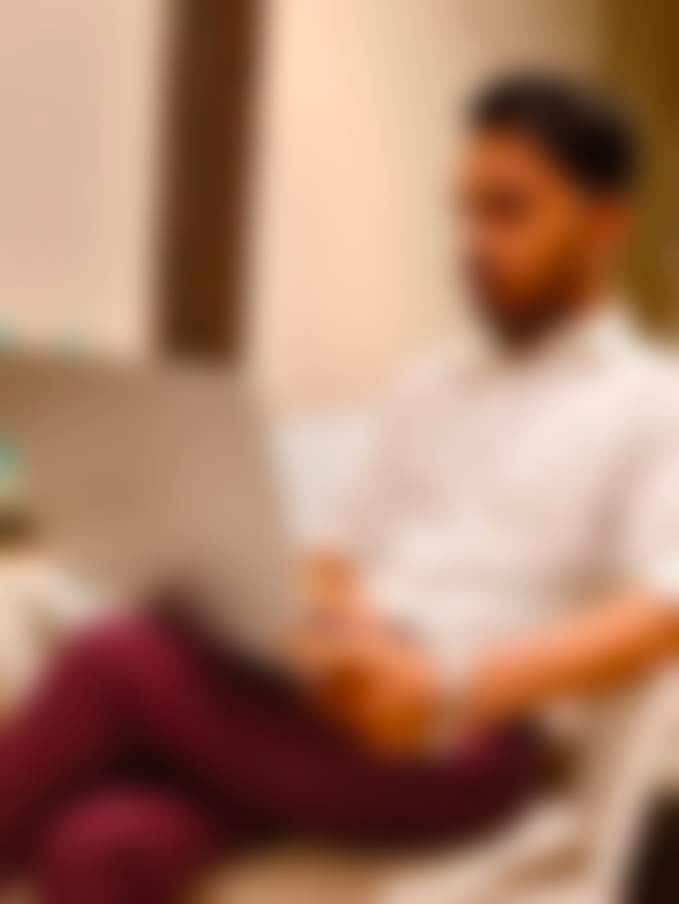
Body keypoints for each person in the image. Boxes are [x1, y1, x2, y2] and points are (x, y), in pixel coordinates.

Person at [3, 71, 679, 903]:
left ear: (604, 224)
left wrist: (451, 689)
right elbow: (338, 555)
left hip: (468, 739)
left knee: (116, 659)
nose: (474, 241)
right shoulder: (431, 382)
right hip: (342, 705)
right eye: (466, 211)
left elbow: (663, 611)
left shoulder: (651, 400)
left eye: (507, 211)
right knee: (107, 845)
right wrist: (329, 627)